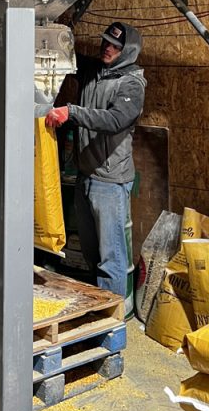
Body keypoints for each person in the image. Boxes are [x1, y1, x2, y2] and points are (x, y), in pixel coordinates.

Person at [46, 22, 146, 301]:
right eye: (105, 43)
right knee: (92, 254)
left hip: (110, 181)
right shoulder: (94, 71)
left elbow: (115, 120)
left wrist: (72, 112)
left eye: (115, 46)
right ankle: (97, 310)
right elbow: (67, 59)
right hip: (86, 175)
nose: (108, 48)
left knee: (110, 258)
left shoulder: (132, 84)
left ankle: (112, 324)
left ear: (128, 52)